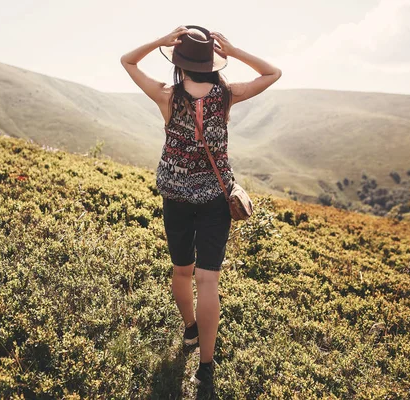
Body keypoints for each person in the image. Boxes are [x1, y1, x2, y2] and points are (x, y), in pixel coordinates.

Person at [120, 25, 281, 387]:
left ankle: (190, 330)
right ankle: (206, 369)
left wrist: (159, 42)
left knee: (182, 272)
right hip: (215, 201)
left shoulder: (166, 95)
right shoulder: (225, 95)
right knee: (208, 281)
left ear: (178, 61)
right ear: (212, 61)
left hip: (175, 198)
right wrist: (235, 51)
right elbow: (273, 73)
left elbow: (127, 61)